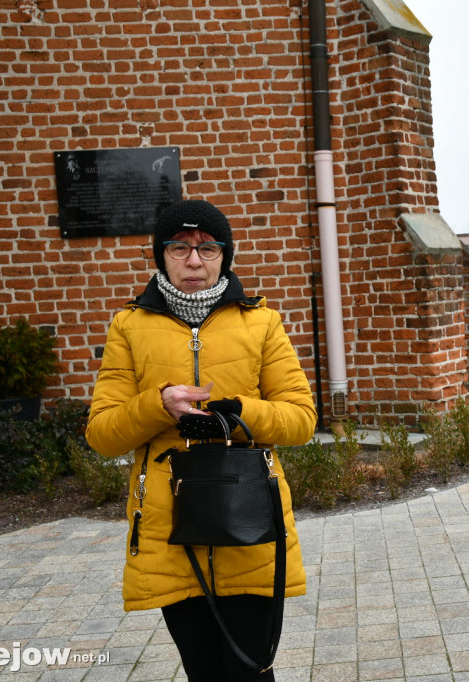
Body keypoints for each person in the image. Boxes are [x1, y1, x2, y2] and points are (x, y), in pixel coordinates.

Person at [86, 199, 317, 680]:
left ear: (224, 256)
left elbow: (301, 419)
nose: (194, 260)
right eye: (180, 248)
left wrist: (236, 415)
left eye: (208, 249)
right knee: (204, 671)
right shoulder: (128, 326)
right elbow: (103, 435)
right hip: (171, 532)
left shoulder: (262, 322)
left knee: (251, 670)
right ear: (161, 255)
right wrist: (158, 405)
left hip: (251, 522)